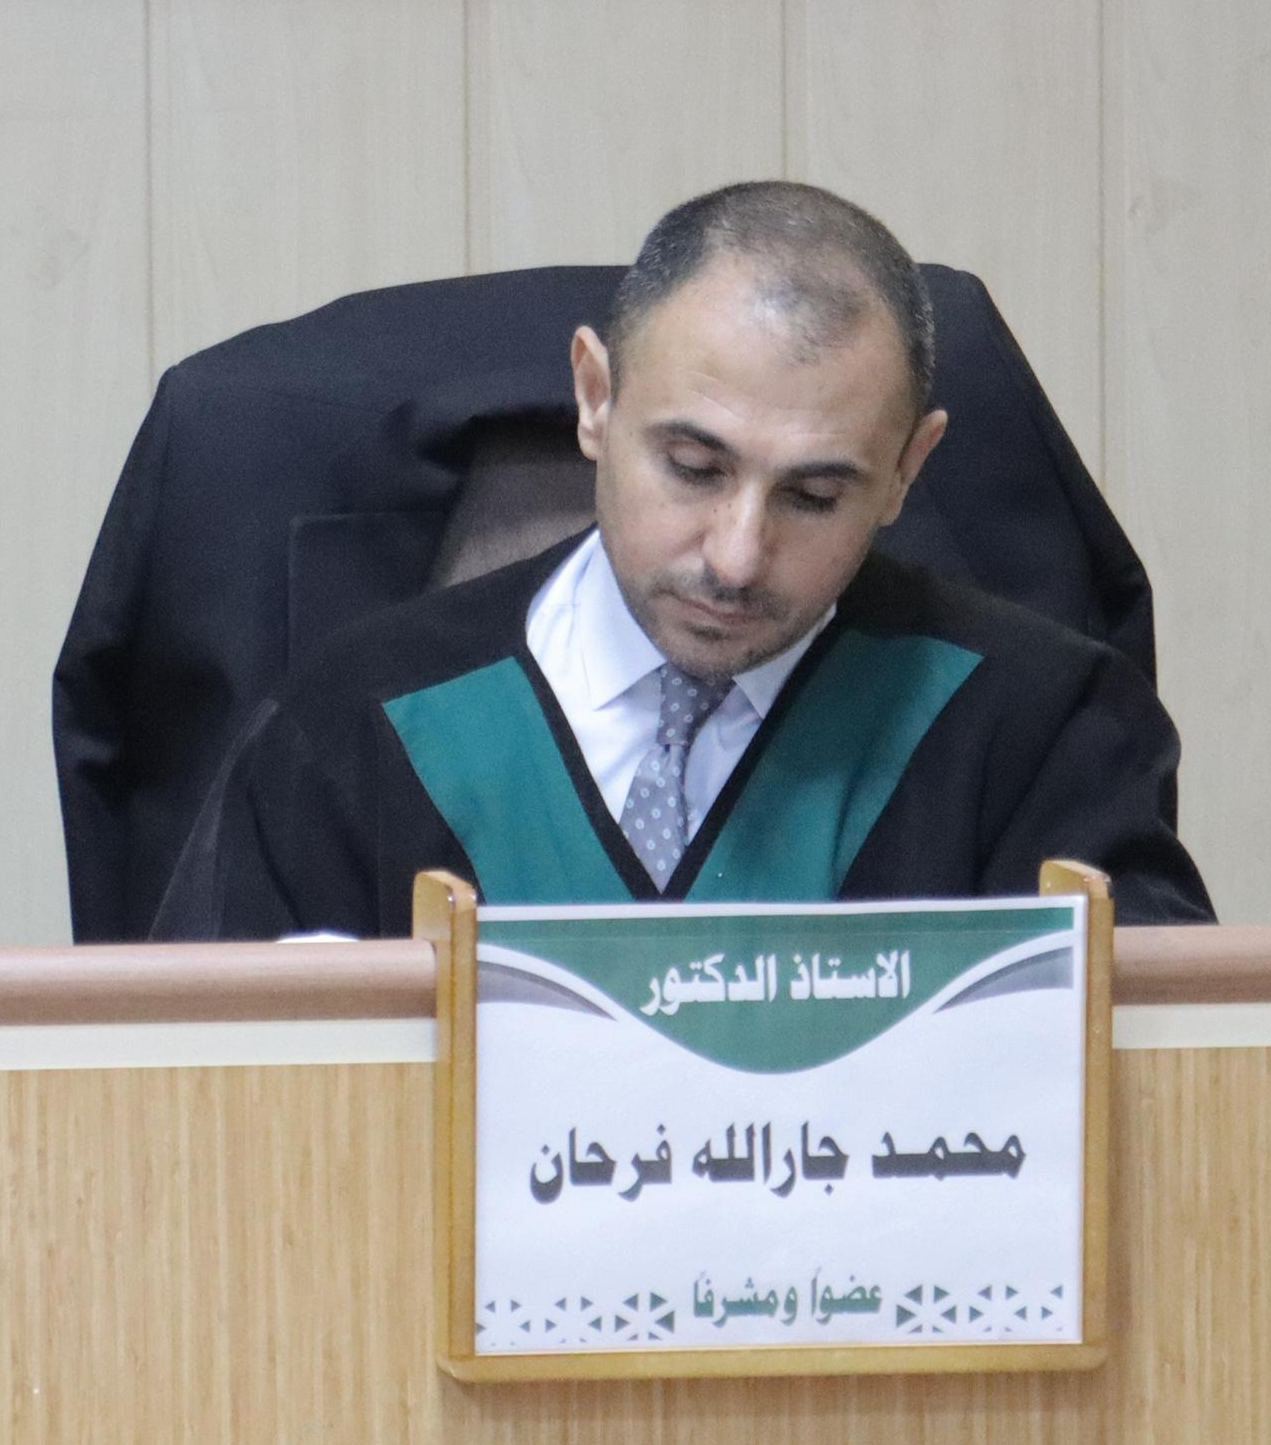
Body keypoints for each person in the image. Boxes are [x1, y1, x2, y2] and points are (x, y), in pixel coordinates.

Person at [155, 181, 1213, 939]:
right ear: (593, 397)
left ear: (907, 468)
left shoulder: (1044, 733)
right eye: (694, 468)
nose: (738, 556)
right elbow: (214, 1115)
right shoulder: (352, 728)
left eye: (814, 495)